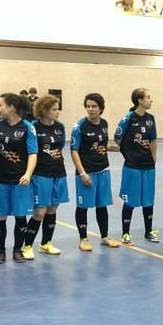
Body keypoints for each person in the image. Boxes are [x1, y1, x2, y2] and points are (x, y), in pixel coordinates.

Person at [0, 93, 38, 263]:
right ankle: (0, 251)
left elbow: (33, 153)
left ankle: (18, 250)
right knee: (0, 216)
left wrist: (28, 174)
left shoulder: (27, 127)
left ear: (11, 107)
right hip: (0, 179)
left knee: (20, 216)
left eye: (0, 105)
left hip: (20, 180)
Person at [71, 93, 121, 251]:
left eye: (94, 106)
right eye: (88, 106)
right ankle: (83, 239)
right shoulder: (80, 126)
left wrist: (114, 148)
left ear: (101, 108)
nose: (90, 109)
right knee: (83, 206)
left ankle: (104, 237)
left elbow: (101, 145)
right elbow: (74, 151)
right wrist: (82, 173)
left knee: (102, 205)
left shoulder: (104, 123)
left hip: (103, 170)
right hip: (87, 172)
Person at [22, 95, 69, 256]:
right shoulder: (33, 127)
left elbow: (60, 147)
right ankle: (27, 246)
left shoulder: (60, 127)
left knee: (52, 208)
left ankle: (46, 243)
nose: (58, 112)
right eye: (54, 109)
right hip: (41, 174)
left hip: (59, 172)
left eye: (58, 109)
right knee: (39, 211)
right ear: (44, 110)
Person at [115, 88, 159, 245]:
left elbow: (153, 140)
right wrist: (128, 152)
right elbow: (117, 137)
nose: (151, 100)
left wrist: (153, 159)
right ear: (140, 100)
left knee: (148, 200)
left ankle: (148, 231)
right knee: (130, 200)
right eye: (148, 97)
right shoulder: (128, 118)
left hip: (148, 166)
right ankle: (125, 233)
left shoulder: (151, 119)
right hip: (132, 166)